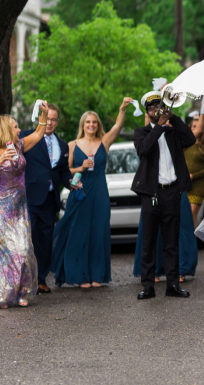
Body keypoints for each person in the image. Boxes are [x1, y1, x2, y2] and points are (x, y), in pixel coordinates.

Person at [0, 103, 54, 307]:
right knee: (1, 254)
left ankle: (21, 291)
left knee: (22, 248)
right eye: (15, 127)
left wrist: (44, 113)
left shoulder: (20, 146)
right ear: (5, 129)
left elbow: (39, 134)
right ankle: (3, 296)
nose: (19, 130)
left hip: (19, 207)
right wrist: (1, 159)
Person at [52, 98, 134, 288]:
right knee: (79, 233)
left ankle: (98, 275)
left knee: (99, 232)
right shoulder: (73, 144)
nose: (91, 125)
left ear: (98, 125)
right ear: (83, 125)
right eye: (88, 122)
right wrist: (80, 167)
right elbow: (65, 171)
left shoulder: (104, 142)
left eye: (94, 122)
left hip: (99, 192)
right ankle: (79, 276)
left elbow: (118, 126)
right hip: (80, 192)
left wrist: (122, 108)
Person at [133, 91, 197, 300]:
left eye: (159, 107)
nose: (156, 111)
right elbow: (144, 149)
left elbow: (191, 138)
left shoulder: (173, 132)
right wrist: (159, 126)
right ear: (147, 112)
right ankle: (148, 286)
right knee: (149, 242)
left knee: (171, 241)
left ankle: (172, 285)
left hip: (172, 191)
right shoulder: (141, 132)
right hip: (151, 193)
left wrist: (173, 117)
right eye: (152, 108)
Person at [21, 104, 75, 294]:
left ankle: (41, 279)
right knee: (28, 240)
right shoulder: (27, 137)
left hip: (50, 200)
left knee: (45, 241)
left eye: (53, 119)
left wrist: (71, 183)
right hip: (29, 197)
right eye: (47, 118)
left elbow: (62, 172)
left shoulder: (62, 145)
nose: (50, 122)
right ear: (41, 118)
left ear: (57, 122)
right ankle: (25, 280)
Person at [185, 115, 204, 224]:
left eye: (197, 126)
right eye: (193, 126)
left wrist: (193, 176)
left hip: (197, 187)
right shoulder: (185, 144)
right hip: (183, 186)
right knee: (184, 219)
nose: (195, 129)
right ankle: (186, 241)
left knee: (191, 217)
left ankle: (192, 241)